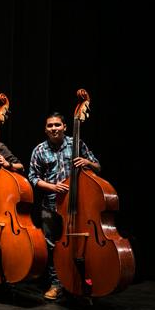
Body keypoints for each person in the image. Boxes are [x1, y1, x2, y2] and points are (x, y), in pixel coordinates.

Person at [27, 112, 100, 300]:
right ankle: (57, 283)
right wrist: (52, 187)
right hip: (50, 205)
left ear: (65, 127)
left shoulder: (77, 144)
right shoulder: (40, 150)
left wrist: (87, 162)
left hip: (77, 206)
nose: (53, 128)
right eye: (50, 125)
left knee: (82, 243)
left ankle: (84, 279)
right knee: (52, 246)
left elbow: (98, 167)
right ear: (45, 129)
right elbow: (33, 178)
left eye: (57, 125)